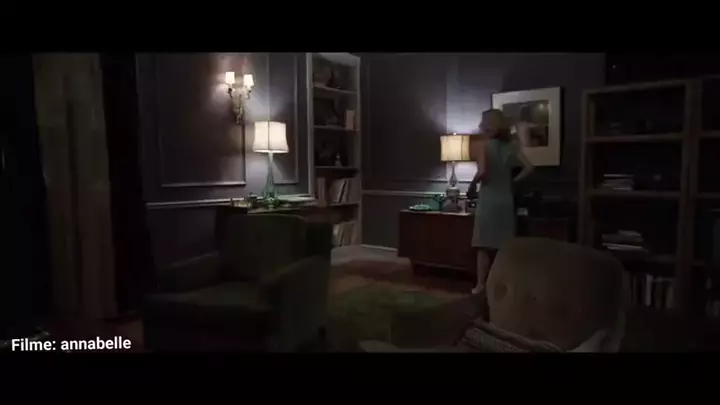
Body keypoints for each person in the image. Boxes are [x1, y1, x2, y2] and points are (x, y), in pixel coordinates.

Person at [468, 109, 534, 295]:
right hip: (505, 199)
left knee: (483, 246)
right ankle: (502, 286)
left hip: (488, 199)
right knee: (502, 247)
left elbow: (482, 172)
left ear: (487, 125)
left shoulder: (482, 145)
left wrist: (472, 186)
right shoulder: (510, 147)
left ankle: (481, 285)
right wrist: (513, 181)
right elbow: (530, 168)